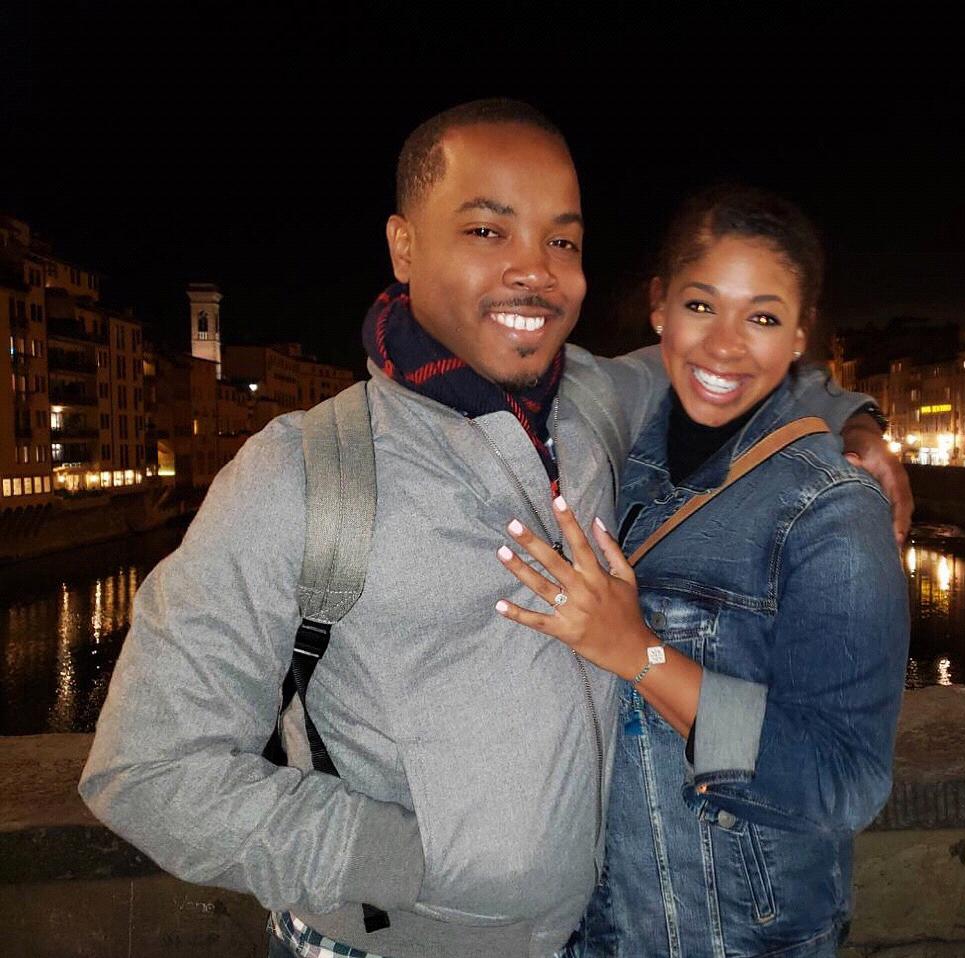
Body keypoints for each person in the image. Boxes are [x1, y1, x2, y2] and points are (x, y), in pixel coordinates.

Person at [79, 101, 907, 958]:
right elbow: (144, 770)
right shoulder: (300, 475)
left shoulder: (594, 403)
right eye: (486, 230)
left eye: (563, 241)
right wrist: (410, 860)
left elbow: (728, 370)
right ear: (404, 247)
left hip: (598, 937)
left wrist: (855, 424)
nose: (535, 271)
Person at [496, 187, 910, 957]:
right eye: (700, 306)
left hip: (728, 937)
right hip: (593, 923)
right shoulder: (628, 447)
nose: (724, 346)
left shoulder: (834, 510)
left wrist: (640, 656)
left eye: (761, 318)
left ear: (797, 337)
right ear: (660, 311)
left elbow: (845, 779)